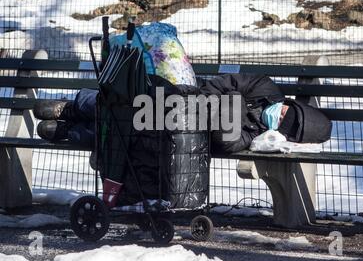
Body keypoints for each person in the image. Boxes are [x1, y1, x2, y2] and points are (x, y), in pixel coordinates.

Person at [34, 73, 332, 154]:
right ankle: (73, 108)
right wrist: (219, 108)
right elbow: (224, 84)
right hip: (185, 100)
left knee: (136, 138)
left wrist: (219, 113)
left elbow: (228, 143)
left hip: (185, 135)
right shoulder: (265, 87)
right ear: (291, 104)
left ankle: (70, 132)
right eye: (285, 113)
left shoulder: (260, 136)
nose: (278, 118)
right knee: (137, 102)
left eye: (284, 125)